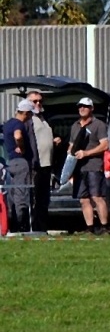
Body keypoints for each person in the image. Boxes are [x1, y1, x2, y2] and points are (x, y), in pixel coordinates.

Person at [65, 98, 110, 233]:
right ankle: (90, 228)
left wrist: (86, 153)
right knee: (83, 199)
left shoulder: (99, 125)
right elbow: (71, 145)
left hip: (94, 166)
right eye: (80, 106)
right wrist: (70, 155)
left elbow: (105, 145)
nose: (82, 108)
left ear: (92, 108)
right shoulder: (75, 126)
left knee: (97, 197)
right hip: (79, 168)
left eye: (85, 106)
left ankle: (104, 227)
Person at [27, 90, 61, 232]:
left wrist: (55, 140)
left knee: (44, 198)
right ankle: (33, 226)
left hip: (47, 164)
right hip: (35, 165)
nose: (38, 103)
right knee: (34, 197)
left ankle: (42, 226)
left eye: (40, 101)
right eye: (34, 101)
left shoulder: (44, 118)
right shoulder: (28, 119)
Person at [3, 99, 37, 234]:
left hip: (11, 161)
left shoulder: (8, 124)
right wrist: (21, 147)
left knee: (12, 194)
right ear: (26, 113)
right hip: (21, 162)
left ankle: (12, 222)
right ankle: (21, 224)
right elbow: (18, 136)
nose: (31, 117)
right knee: (22, 192)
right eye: (30, 114)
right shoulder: (19, 124)